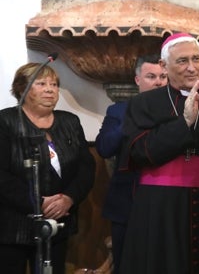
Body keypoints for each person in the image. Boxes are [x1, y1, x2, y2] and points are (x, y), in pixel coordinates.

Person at [119, 33, 199, 274]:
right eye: (183, 61)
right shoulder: (144, 103)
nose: (192, 67)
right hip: (160, 206)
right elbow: (138, 152)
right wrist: (183, 123)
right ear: (164, 66)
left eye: (197, 59)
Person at [0, 62, 95, 274]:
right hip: (13, 226)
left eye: (54, 84)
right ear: (22, 89)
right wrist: (38, 203)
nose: (50, 89)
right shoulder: (5, 121)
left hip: (57, 223)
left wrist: (68, 198)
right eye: (41, 83)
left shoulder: (69, 122)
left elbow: (86, 167)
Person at [95, 53, 167, 274]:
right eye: (151, 76)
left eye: (163, 76)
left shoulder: (178, 110)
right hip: (127, 203)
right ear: (138, 80)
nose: (158, 82)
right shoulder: (119, 111)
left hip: (166, 203)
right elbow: (104, 147)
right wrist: (130, 119)